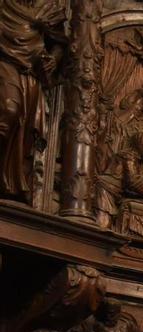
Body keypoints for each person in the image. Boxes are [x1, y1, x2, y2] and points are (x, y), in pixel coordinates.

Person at [0, 0, 66, 201]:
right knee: (9, 111)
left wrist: (53, 60)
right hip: (5, 63)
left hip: (30, 72)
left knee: (24, 130)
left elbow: (60, 43)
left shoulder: (47, 7)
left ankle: (9, 181)